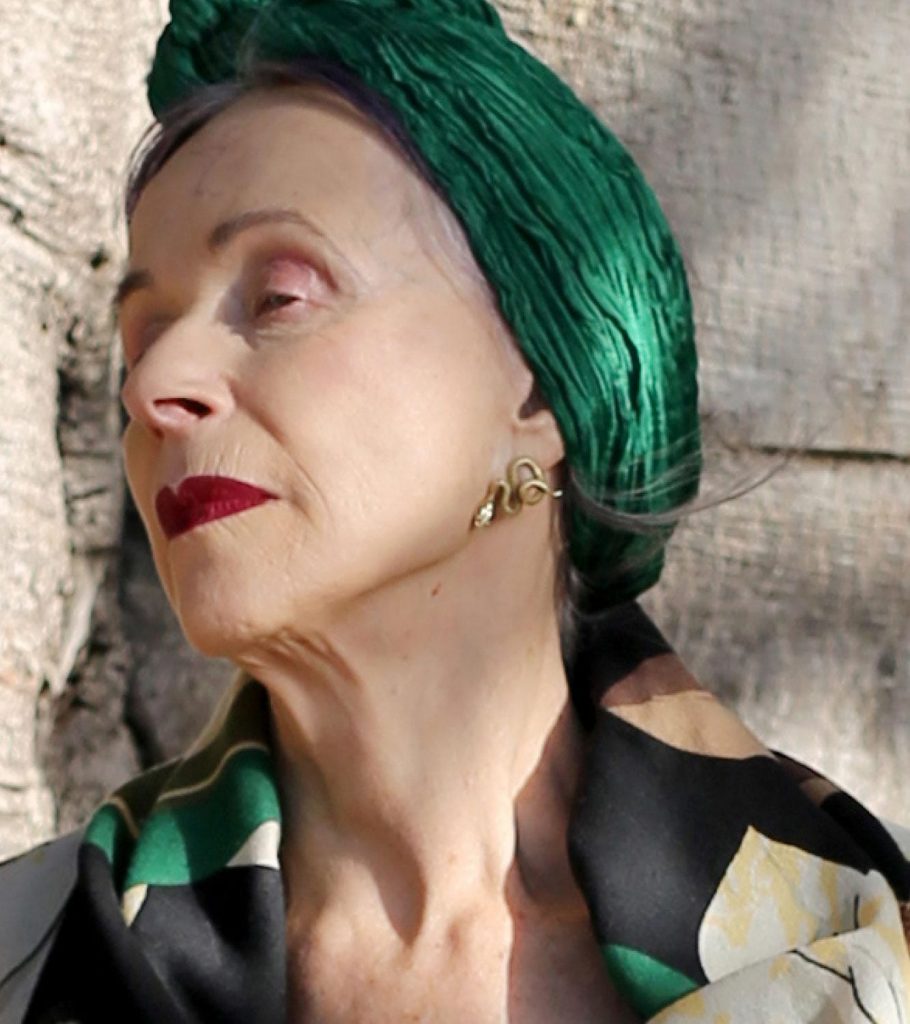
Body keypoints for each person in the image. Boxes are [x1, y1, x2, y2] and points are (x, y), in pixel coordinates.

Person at [2, 1, 908, 1021]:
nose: (153, 386)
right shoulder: (30, 957)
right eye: (140, 337)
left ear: (542, 386)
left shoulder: (866, 949)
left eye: (281, 295)